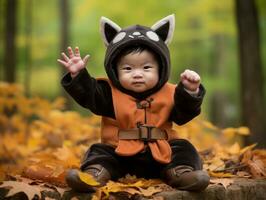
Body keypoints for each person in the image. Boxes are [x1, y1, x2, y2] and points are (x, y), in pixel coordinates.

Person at [57, 14, 210, 192]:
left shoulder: (171, 93)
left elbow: (184, 113)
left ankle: (181, 172)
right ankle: (94, 175)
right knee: (98, 151)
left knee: (184, 148)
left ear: (161, 69)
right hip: (119, 154)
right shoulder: (109, 93)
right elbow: (90, 95)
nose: (137, 74)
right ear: (114, 71)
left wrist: (190, 91)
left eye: (146, 68)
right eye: (127, 69)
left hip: (161, 154)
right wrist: (78, 76)